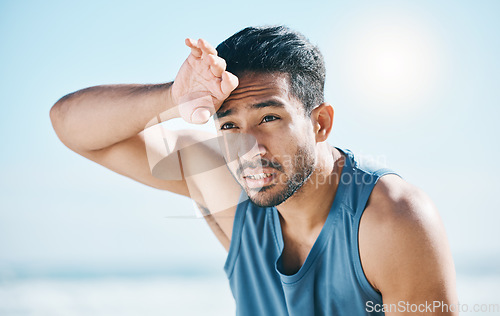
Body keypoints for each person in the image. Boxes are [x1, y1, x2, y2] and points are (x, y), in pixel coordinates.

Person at [50, 26, 458, 315]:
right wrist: (174, 97)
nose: (249, 147)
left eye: (269, 119)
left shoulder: (391, 221)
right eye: (229, 124)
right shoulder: (229, 193)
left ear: (320, 124)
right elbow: (71, 126)